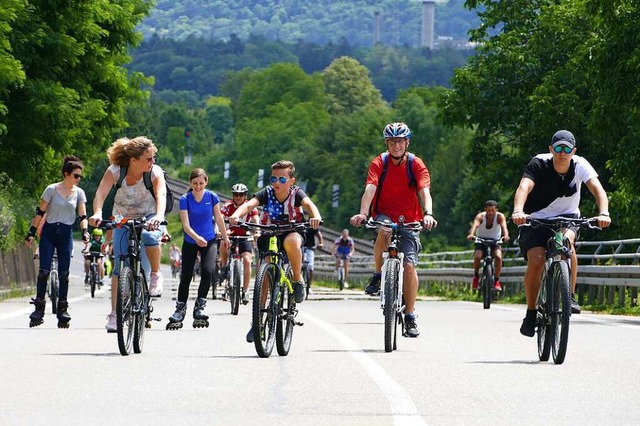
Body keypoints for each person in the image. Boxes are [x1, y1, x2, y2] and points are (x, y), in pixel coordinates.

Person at [511, 130, 611, 337]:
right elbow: (524, 187)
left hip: (568, 218)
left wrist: (604, 213)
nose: (562, 153)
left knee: (566, 243)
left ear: (573, 151)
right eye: (558, 148)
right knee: (537, 260)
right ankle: (531, 312)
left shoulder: (580, 165)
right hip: (535, 219)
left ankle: (569, 295)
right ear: (551, 149)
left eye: (567, 149)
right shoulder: (539, 163)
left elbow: (598, 190)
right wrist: (518, 211)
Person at [350, 122, 437, 338]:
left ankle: (409, 315)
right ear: (387, 143)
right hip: (384, 213)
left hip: (411, 219)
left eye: (400, 141)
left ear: (406, 142)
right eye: (391, 141)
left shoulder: (415, 164)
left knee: (409, 267)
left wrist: (428, 213)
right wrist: (363, 212)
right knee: (384, 230)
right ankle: (379, 275)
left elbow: (424, 189)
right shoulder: (380, 162)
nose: (396, 145)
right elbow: (370, 187)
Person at [228, 160, 322, 342]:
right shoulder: (267, 192)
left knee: (292, 242)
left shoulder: (296, 194)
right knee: (265, 270)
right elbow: (249, 205)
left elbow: (309, 205)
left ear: (292, 181)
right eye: (273, 178)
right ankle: (258, 322)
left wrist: (316, 216)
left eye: (282, 179)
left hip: (292, 229)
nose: (277, 183)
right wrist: (236, 215)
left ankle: (297, 278)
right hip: (269, 231)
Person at [89, 136, 167, 333]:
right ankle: (115, 315)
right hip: (122, 218)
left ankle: (156, 275)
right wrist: (98, 212)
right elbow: (100, 194)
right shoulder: (115, 171)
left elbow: (161, 196)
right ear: (134, 160)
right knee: (118, 268)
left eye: (154, 157)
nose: (153, 162)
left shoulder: (154, 173)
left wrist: (158, 216)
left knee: (149, 238)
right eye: (149, 159)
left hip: (149, 216)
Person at [25, 155, 90, 328]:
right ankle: (38, 310)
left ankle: (62, 310)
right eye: (76, 175)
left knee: (64, 274)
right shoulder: (51, 190)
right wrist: (31, 233)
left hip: (66, 234)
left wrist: (85, 231)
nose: (79, 179)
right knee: (44, 271)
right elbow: (40, 213)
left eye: (80, 176)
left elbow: (83, 215)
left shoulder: (79, 193)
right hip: (49, 233)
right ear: (66, 174)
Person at [167, 168, 230, 330]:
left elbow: (219, 218)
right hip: (191, 240)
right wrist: (196, 238)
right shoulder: (184, 199)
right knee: (186, 275)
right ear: (190, 183)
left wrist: (225, 237)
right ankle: (180, 309)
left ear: (206, 182)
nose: (198, 186)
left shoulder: (212, 197)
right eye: (195, 183)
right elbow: (186, 226)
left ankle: (199, 307)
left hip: (209, 240)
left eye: (201, 183)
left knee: (208, 271)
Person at [219, 183, 260, 305]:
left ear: (245, 196)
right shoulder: (227, 206)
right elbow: (220, 218)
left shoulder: (250, 207)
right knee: (223, 243)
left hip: (244, 236)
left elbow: (256, 220)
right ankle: (225, 266)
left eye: (241, 195)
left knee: (247, 260)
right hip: (230, 235)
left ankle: (245, 290)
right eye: (236, 194)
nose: (238, 197)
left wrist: (257, 232)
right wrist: (219, 230)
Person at [466, 200, 510, 291]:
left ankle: (496, 280)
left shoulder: (499, 216)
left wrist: (506, 235)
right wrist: (471, 234)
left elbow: (504, 226)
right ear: (485, 209)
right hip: (481, 240)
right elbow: (475, 225)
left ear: (496, 210)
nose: (490, 213)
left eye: (493, 210)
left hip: (495, 241)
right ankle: (476, 277)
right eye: (488, 210)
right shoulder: (481, 216)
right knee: (477, 256)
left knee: (498, 256)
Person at [302, 212, 324, 294]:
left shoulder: (311, 224)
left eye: (306, 215)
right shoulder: (299, 224)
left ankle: (309, 285)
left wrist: (321, 242)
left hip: (310, 247)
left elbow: (318, 234)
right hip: (300, 247)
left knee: (310, 266)